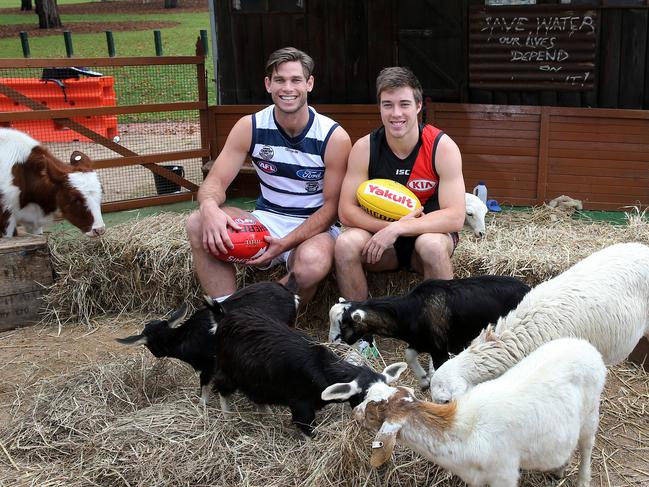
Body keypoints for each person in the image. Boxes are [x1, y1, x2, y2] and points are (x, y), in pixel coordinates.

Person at [186, 47, 351, 303]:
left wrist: (285, 243)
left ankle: (255, 314)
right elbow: (215, 182)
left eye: (296, 80)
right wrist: (208, 206)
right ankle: (227, 312)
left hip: (313, 227)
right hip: (266, 220)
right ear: (268, 84)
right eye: (279, 80)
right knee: (197, 223)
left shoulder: (334, 136)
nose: (288, 88)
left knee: (312, 264)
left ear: (309, 84)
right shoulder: (249, 126)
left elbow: (331, 209)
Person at [335, 66, 465, 303]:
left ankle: (445, 333)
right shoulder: (365, 148)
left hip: (426, 238)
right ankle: (359, 332)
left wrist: (397, 228)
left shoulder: (442, 147)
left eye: (404, 104)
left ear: (418, 106)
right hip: (382, 246)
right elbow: (346, 211)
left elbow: (455, 217)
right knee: (345, 243)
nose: (396, 113)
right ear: (380, 108)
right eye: (388, 105)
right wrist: (385, 229)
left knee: (432, 245)